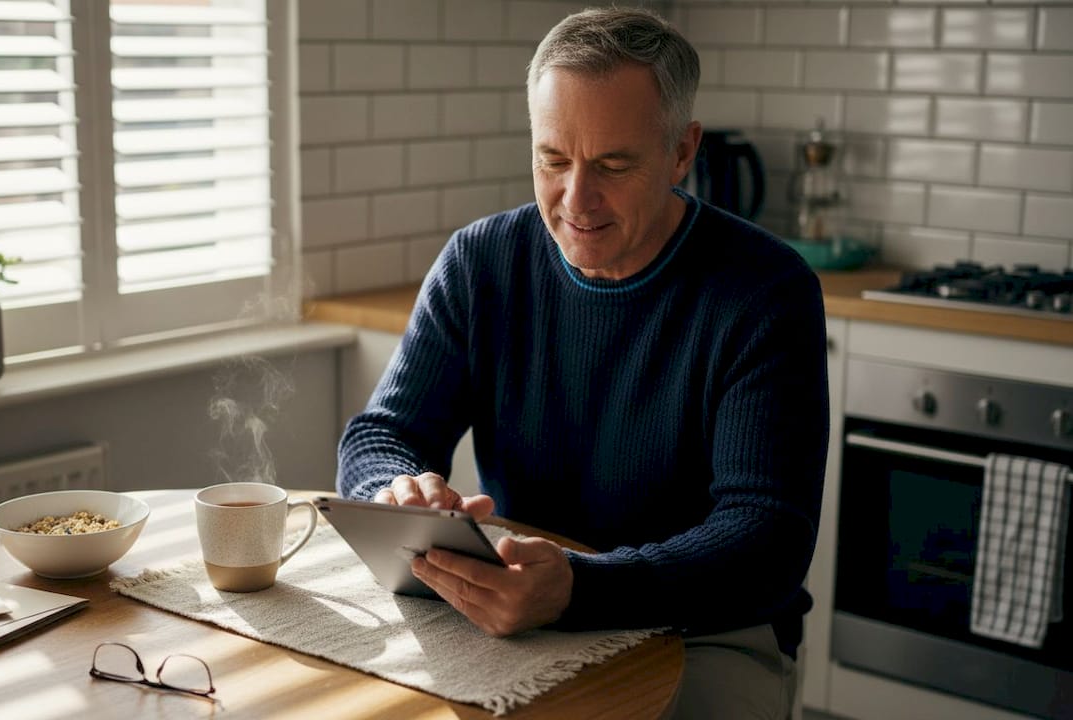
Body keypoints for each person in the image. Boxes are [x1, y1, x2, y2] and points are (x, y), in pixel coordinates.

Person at [336, 7, 828, 718]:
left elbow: (767, 541)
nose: (576, 199)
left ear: (682, 152)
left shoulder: (765, 292)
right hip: (521, 612)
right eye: (553, 160)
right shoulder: (480, 263)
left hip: (709, 630)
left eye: (613, 165)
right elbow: (381, 433)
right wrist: (397, 493)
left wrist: (579, 587)